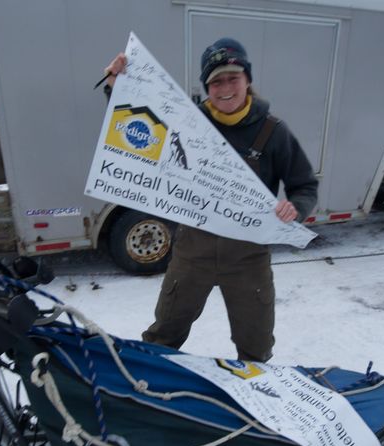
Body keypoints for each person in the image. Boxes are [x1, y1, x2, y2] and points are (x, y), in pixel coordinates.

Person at [104, 38, 318, 362]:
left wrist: (296, 208)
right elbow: (139, 121)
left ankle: (251, 405)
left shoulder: (274, 131)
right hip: (192, 254)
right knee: (161, 339)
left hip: (248, 260)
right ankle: (151, 398)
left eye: (233, 77)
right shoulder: (186, 121)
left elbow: (305, 186)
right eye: (216, 81)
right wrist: (117, 85)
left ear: (248, 79)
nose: (226, 87)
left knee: (256, 350)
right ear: (207, 87)